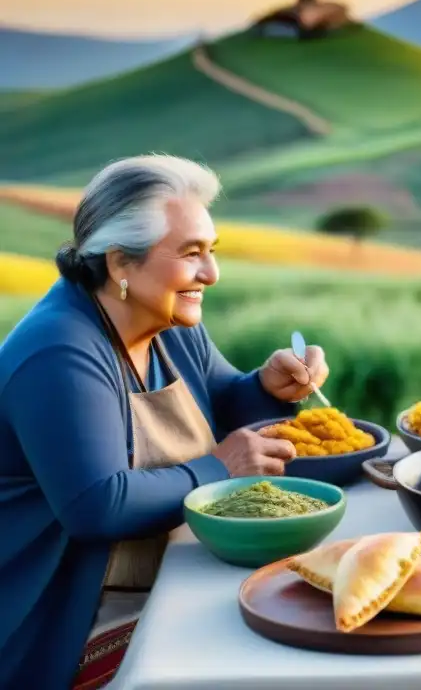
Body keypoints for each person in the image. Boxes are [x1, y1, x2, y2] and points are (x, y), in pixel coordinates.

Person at [0, 155, 331, 688]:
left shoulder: (168, 321)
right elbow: (96, 505)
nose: (211, 274)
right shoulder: (59, 353)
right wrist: (219, 467)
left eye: (212, 251)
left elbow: (221, 404)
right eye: (191, 253)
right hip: (63, 621)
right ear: (120, 264)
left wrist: (267, 388)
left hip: (159, 580)